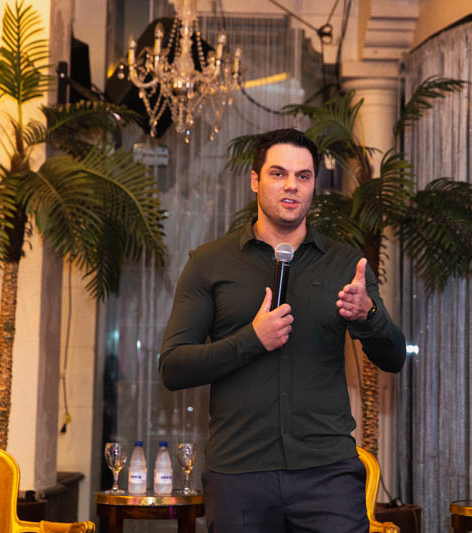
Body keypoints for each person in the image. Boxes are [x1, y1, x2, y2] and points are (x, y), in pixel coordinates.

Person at [159, 128, 406, 532]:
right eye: (278, 173)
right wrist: (251, 340)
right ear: (255, 181)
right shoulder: (209, 263)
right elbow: (173, 367)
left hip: (328, 475)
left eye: (303, 176)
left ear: (313, 186)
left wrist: (369, 314)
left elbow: (394, 358)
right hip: (239, 475)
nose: (292, 185)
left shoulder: (344, 264)